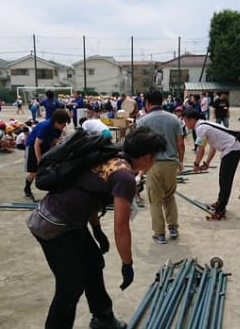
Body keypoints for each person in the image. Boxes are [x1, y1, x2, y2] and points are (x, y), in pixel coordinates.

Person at [27, 127, 167, 329]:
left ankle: (103, 318)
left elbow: (89, 193)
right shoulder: (125, 177)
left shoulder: (110, 156)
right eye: (155, 157)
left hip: (69, 221)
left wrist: (97, 229)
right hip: (54, 226)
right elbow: (121, 227)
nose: (155, 161)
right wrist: (127, 263)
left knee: (93, 264)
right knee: (70, 287)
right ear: (146, 158)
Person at [137, 90, 185, 244]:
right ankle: (173, 228)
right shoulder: (174, 119)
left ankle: (159, 234)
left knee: (155, 200)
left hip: (154, 164)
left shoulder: (143, 121)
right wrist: (180, 161)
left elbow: (141, 146)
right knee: (169, 197)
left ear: (148, 103)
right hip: (171, 164)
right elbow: (180, 143)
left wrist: (140, 167)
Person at [184, 108, 240, 220]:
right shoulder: (204, 124)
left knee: (225, 180)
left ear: (191, 120)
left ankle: (220, 210)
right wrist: (206, 163)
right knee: (223, 179)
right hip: (232, 148)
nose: (185, 124)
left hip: (232, 149)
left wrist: (196, 164)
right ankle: (220, 202)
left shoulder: (200, 128)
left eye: (185, 121)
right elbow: (213, 146)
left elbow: (200, 149)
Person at [24, 109, 71, 199]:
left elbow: (54, 142)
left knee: (49, 168)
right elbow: (36, 144)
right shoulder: (45, 126)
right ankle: (27, 189)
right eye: (63, 123)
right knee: (34, 172)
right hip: (32, 146)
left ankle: (52, 189)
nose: (64, 126)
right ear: (57, 122)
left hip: (45, 145)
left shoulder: (59, 129)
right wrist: (40, 160)